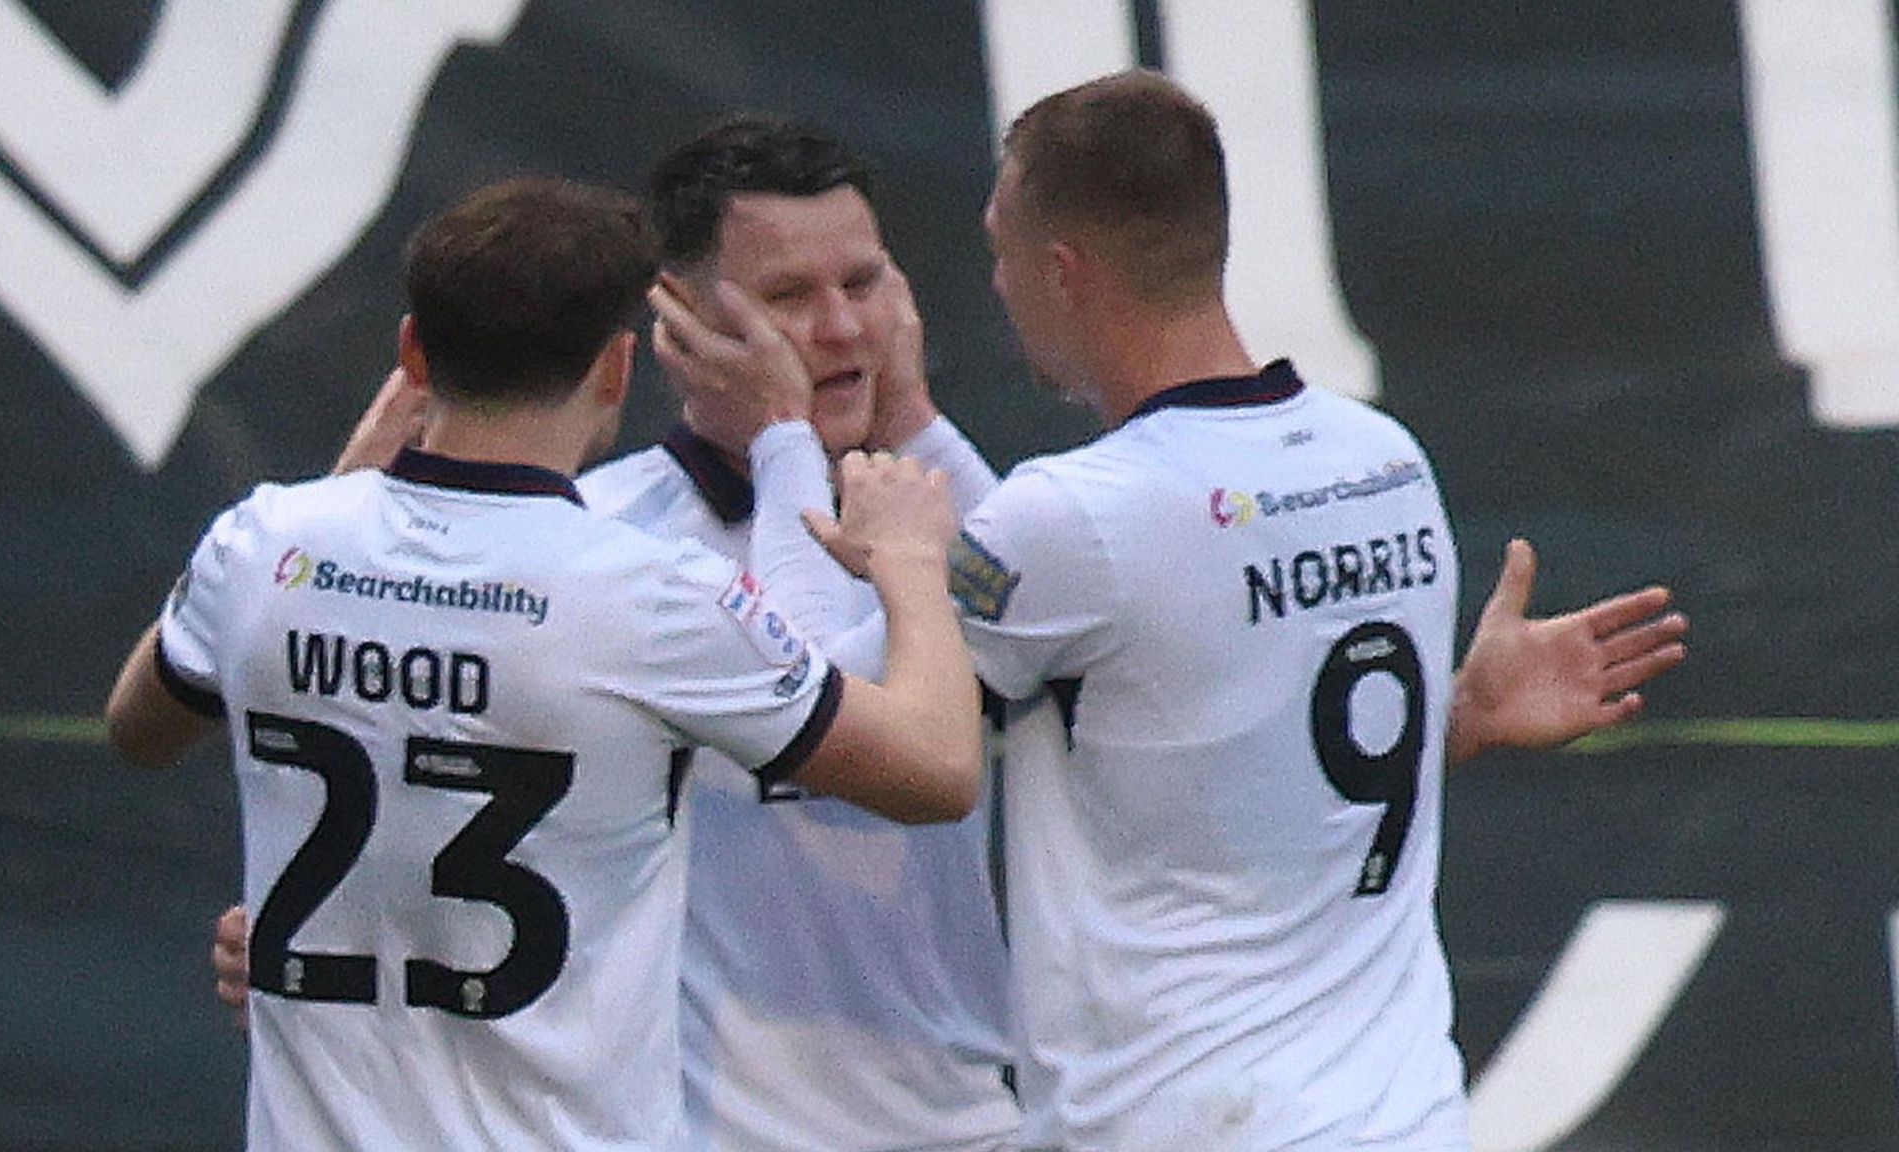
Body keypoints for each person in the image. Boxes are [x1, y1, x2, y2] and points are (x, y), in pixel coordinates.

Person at [214, 117, 1684, 1150]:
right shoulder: (591, 555)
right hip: (720, 1129)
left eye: (868, 281)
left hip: (984, 1124)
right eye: (790, 297)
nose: (843, 328)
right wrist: (330, 938)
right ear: (673, 324)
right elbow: (462, 788)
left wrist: (1447, 717)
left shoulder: (984, 517)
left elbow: (1184, 725)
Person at [655, 71, 1689, 1151]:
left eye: (1001, 256)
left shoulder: (1087, 515)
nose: (993, 290)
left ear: (1060, 274)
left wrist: (781, 439)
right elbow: (1253, 761)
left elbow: (817, 698)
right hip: (1402, 1117)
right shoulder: (1380, 460)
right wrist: (1457, 716)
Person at [103, 174, 985, 1152]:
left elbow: (138, 729)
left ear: (412, 351)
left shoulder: (264, 539)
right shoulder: (648, 591)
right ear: (615, 370)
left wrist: (344, 487)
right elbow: (936, 772)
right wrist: (908, 565)